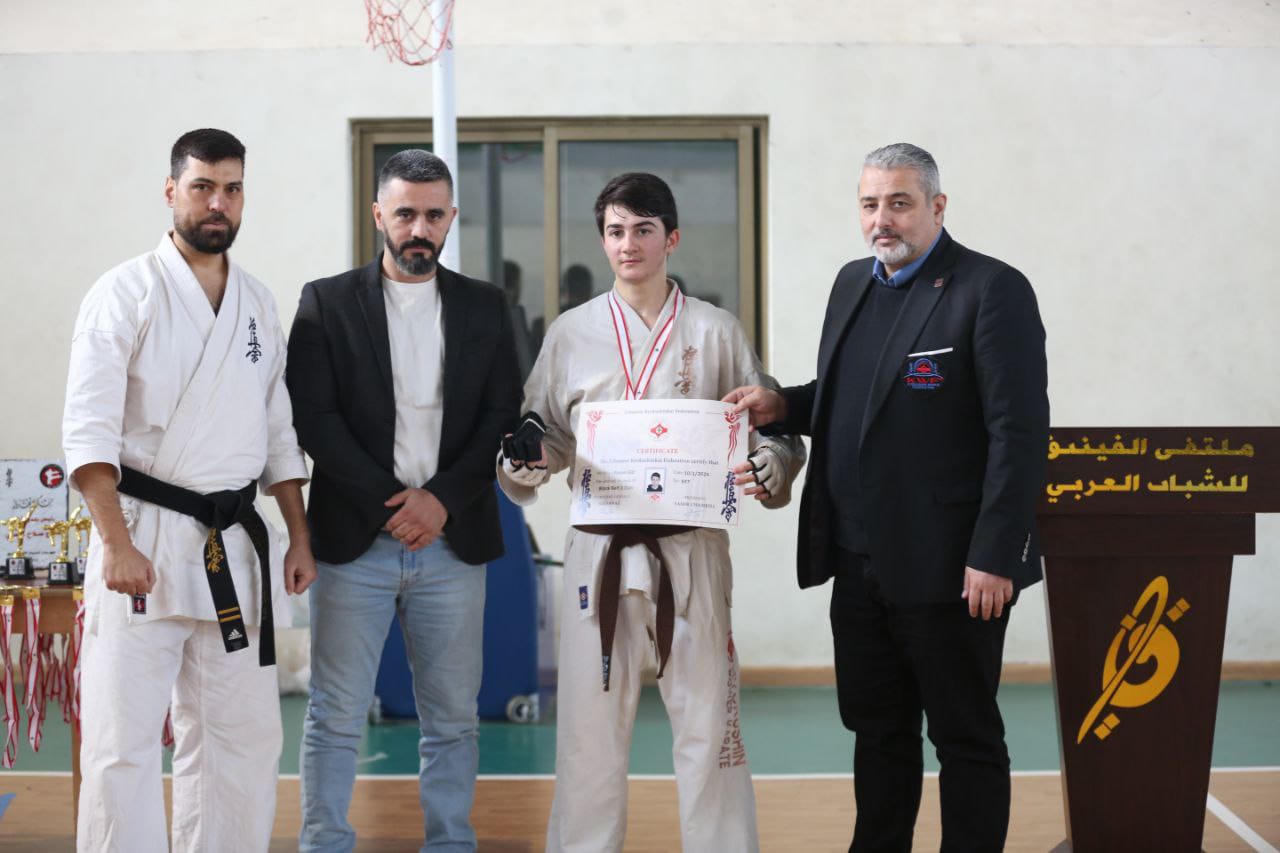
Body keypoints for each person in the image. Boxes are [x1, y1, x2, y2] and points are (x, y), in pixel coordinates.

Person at [725, 143, 1049, 851]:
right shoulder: (853, 283)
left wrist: (996, 554)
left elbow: (1019, 435)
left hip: (955, 570)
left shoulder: (991, 289)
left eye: (900, 203)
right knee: (878, 734)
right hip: (858, 561)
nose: (882, 219)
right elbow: (853, 397)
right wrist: (785, 405)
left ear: (937, 206)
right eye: (870, 204)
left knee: (965, 738)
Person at [498, 172, 805, 852]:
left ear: (672, 238)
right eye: (615, 231)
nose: (628, 244)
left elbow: (773, 427)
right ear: (602, 240)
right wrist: (525, 457)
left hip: (691, 546)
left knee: (709, 726)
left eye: (643, 229)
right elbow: (544, 436)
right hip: (598, 551)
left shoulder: (716, 330)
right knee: (588, 731)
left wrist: (772, 463)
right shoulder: (570, 333)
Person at [62, 128, 316, 852]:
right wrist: (114, 544)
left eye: (232, 189)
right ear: (171, 191)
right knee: (122, 742)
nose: (217, 203)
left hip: (233, 546)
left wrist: (297, 536)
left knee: (243, 740)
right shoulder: (124, 292)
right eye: (202, 187)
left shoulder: (257, 302)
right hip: (141, 537)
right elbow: (88, 431)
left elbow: (278, 432)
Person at [287, 149, 521, 851]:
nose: (419, 229)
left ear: (451, 217)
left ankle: (450, 842)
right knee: (335, 712)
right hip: (353, 541)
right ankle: (324, 842)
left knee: (452, 718)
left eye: (433, 215)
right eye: (405, 214)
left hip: (453, 541)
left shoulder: (485, 306)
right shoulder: (326, 302)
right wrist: (400, 502)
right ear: (378, 215)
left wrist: (440, 501)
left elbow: (501, 415)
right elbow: (314, 421)